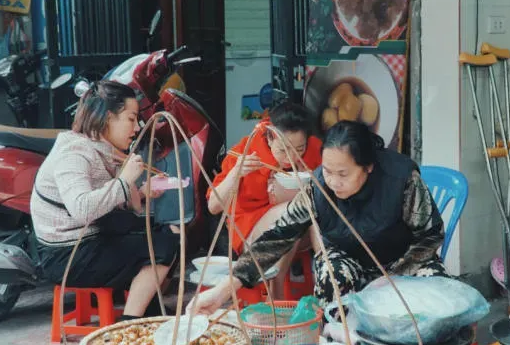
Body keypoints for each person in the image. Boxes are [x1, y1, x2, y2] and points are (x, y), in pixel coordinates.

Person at [189, 120, 447, 314]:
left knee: (436, 288)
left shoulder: (401, 180)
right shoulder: (319, 186)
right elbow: (277, 237)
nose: (333, 182)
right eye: (328, 171)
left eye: (343, 174)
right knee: (330, 276)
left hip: (401, 261)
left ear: (368, 166)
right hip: (351, 260)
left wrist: (393, 278)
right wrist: (223, 289)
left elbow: (430, 235)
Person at [31, 81, 176, 318]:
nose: (137, 128)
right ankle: (131, 322)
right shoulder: (74, 154)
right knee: (162, 246)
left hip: (89, 237)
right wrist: (124, 181)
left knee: (166, 231)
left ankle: (148, 306)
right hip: (67, 254)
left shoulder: (99, 148)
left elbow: (109, 203)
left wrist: (139, 194)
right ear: (108, 118)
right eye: (131, 119)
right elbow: (82, 209)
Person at [207, 102, 323, 296]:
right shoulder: (246, 151)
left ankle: (327, 278)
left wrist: (316, 180)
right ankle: (276, 295)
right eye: (283, 150)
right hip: (251, 229)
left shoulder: (315, 150)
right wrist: (236, 173)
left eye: (299, 149)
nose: (291, 158)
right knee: (291, 214)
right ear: (270, 138)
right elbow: (213, 207)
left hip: (302, 231)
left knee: (309, 212)